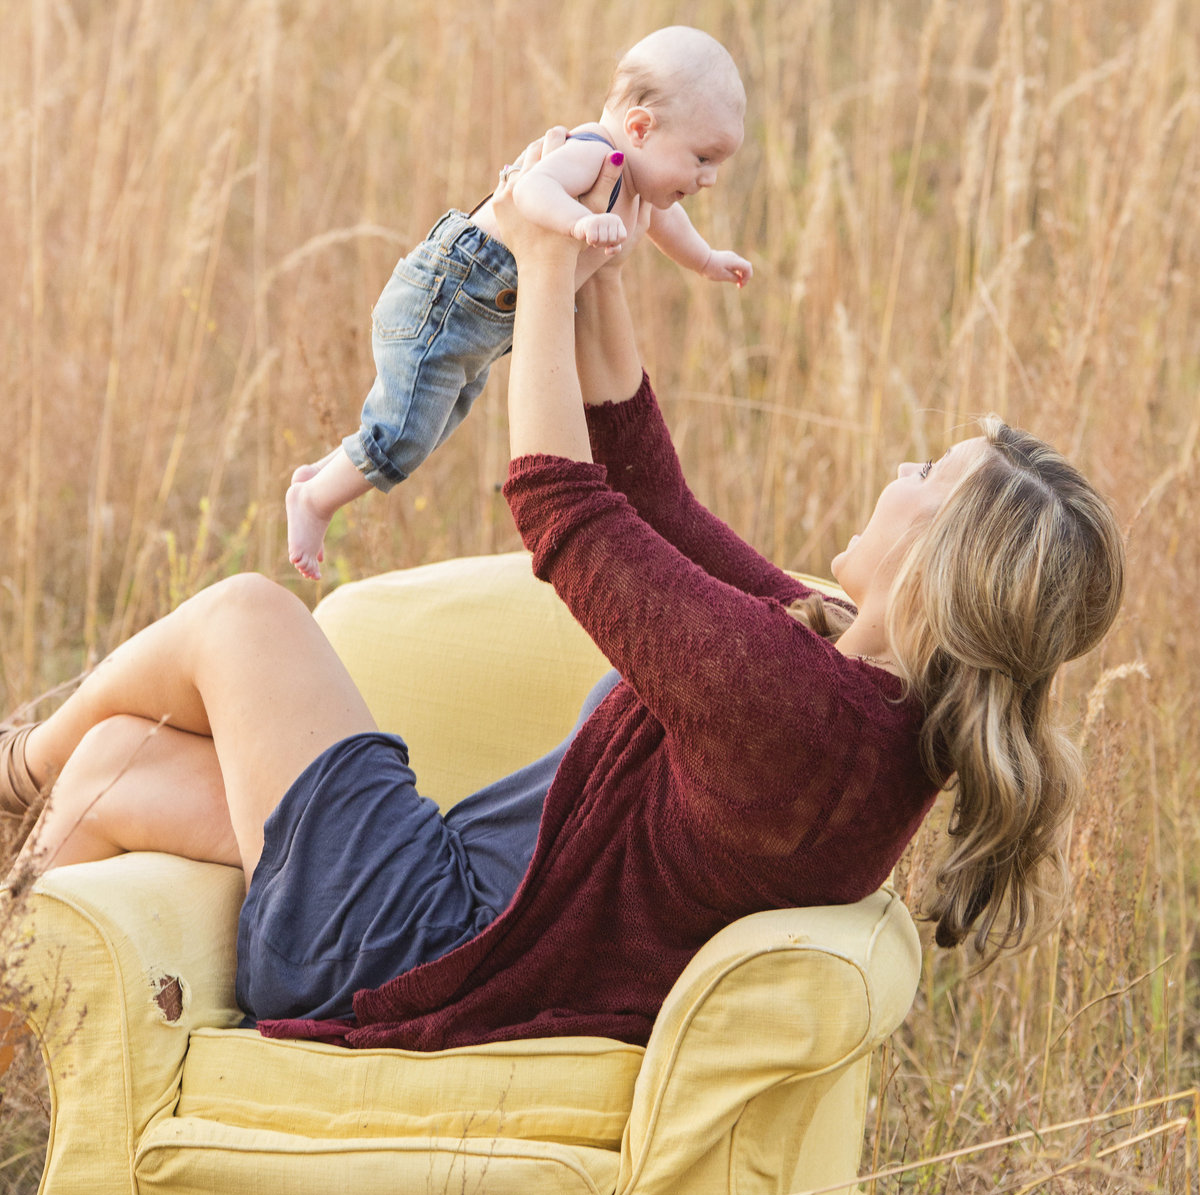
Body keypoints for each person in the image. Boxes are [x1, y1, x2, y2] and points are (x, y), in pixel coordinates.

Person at [0, 129, 1124, 1050]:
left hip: (419, 948)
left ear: (934, 570)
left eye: (924, 476)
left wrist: (540, 270)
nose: (896, 471)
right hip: (450, 907)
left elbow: (564, 510)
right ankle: (22, 1033)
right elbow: (655, 503)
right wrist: (600, 268)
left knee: (247, 615)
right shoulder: (848, 689)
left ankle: (6, 768)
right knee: (110, 773)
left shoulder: (794, 712)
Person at [285, 25, 753, 579]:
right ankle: (314, 503)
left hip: (482, 322)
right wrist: (581, 221)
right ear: (641, 128)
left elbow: (666, 221)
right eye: (703, 158)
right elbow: (530, 192)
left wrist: (704, 260)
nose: (711, 178)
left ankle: (326, 473)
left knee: (429, 424)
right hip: (446, 299)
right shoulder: (590, 154)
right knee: (404, 436)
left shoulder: (638, 184)